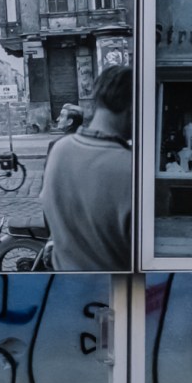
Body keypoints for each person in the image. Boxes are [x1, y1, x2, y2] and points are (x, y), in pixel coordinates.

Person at [41, 64, 132, 271]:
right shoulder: (132, 169)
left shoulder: (59, 150)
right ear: (132, 108)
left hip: (68, 286)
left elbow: (48, 210)